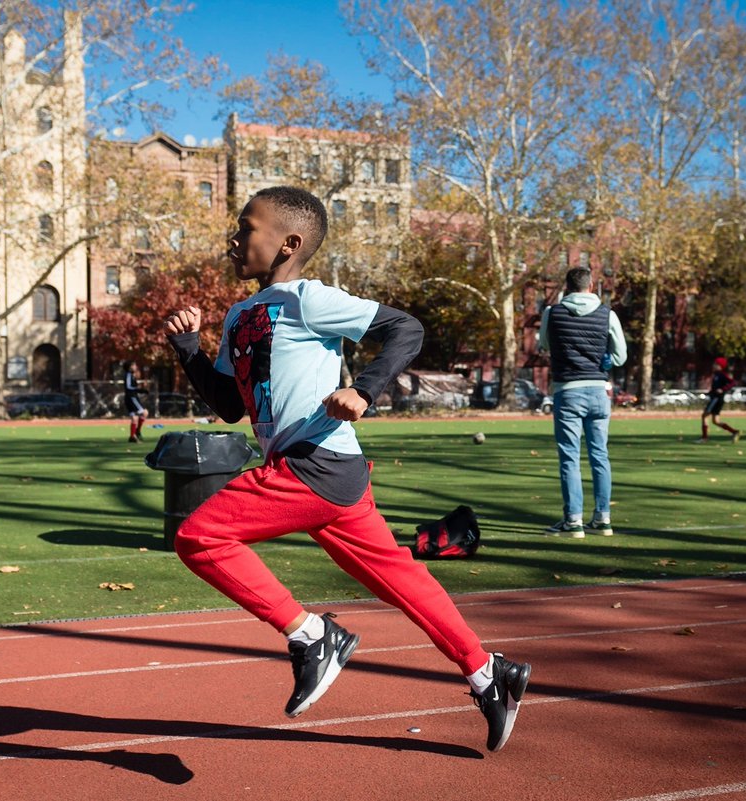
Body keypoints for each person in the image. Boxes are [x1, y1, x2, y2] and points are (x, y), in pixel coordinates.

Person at [163, 185, 530, 753]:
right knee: (404, 581)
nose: (233, 240)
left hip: (317, 464)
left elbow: (406, 329)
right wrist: (188, 347)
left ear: (287, 243)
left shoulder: (309, 300)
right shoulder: (239, 316)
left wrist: (363, 389)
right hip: (326, 473)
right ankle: (488, 674)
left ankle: (314, 637)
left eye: (245, 229)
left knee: (199, 536)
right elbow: (230, 405)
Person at [537, 267, 627, 538]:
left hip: (568, 390)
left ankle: (573, 521)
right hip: (599, 390)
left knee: (570, 458)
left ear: (567, 287)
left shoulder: (552, 313)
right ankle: (602, 519)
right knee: (600, 455)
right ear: (592, 286)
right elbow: (620, 356)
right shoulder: (607, 314)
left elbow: (544, 346)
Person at [698, 357, 742, 443]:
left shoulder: (722, 375)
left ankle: (704, 438)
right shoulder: (716, 375)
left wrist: (723, 389)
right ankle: (734, 432)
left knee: (705, 415)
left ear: (720, 366)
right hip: (715, 398)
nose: (713, 365)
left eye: (715, 364)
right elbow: (715, 388)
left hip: (717, 399)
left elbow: (732, 382)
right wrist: (710, 393)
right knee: (716, 421)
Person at [123, 360, 147, 443]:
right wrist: (140, 390)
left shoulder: (131, 375)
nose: (135, 367)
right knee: (144, 413)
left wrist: (140, 390)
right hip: (131, 398)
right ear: (130, 367)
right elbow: (129, 387)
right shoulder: (129, 374)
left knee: (134, 417)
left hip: (131, 397)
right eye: (134, 365)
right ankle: (137, 431)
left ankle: (132, 436)